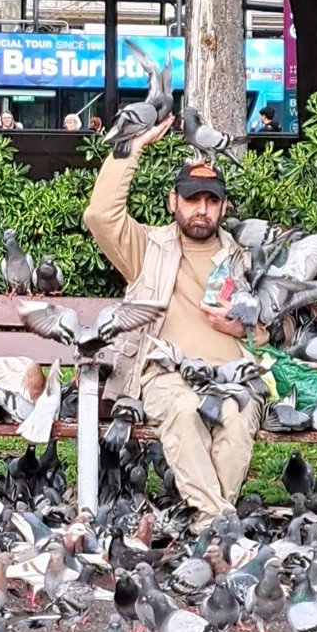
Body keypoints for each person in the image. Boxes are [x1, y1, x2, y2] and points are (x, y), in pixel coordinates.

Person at [82, 117, 258, 527]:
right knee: (183, 409)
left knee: (235, 418)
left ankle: (209, 522)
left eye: (211, 200)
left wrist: (244, 329)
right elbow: (100, 216)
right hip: (166, 375)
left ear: (224, 207)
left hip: (233, 375)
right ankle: (218, 522)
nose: (202, 210)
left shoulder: (245, 259)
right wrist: (132, 148)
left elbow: (278, 330)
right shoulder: (147, 249)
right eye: (192, 199)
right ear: (172, 201)